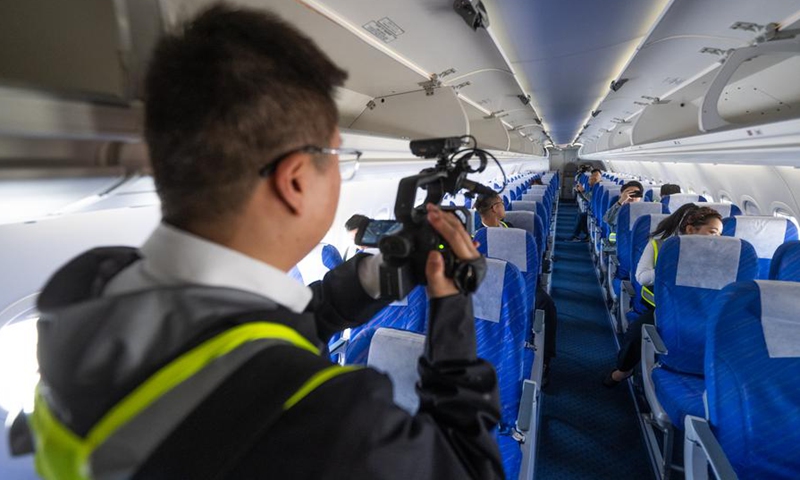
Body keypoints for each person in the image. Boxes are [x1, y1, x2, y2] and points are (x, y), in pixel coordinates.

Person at [29, 6, 503, 479]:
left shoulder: (92, 290)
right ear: (294, 180)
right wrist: (453, 308)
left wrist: (373, 276)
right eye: (341, 157)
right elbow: (470, 465)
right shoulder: (335, 422)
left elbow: (243, 341)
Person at [603, 205, 723, 387]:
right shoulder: (661, 245)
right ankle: (623, 370)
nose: (718, 239)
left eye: (720, 235)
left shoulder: (725, 256)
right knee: (636, 331)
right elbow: (642, 278)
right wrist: (668, 269)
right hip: (664, 306)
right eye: (713, 232)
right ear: (691, 230)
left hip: (707, 311)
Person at [474, 191, 558, 387]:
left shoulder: (512, 231)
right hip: (488, 290)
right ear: (495, 208)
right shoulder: (475, 237)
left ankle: (545, 360)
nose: (505, 207)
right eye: (502, 203)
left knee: (546, 303)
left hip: (522, 286)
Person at [568, 168, 602, 241]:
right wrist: (580, 192)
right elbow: (586, 199)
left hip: (597, 214)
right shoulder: (593, 187)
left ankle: (578, 235)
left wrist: (583, 191)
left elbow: (591, 199)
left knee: (582, 216)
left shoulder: (600, 188)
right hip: (592, 210)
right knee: (582, 216)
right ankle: (583, 235)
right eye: (593, 177)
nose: (594, 179)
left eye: (596, 177)